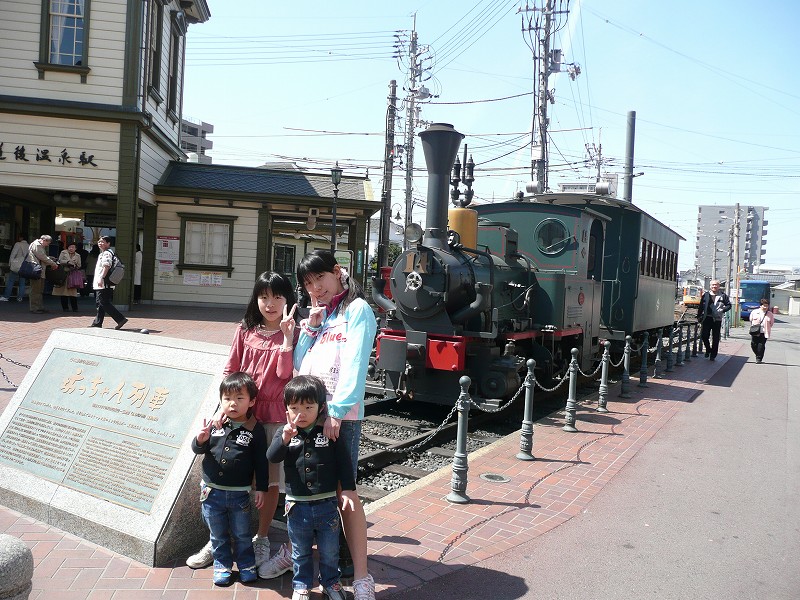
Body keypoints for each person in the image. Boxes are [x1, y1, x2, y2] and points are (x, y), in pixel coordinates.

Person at [186, 272, 298, 573]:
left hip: (273, 418)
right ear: (256, 299)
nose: (270, 304)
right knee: (229, 478)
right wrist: (222, 409)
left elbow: (285, 376)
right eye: (264, 297)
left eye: (277, 297)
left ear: (288, 299)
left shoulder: (295, 332)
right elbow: (230, 370)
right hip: (240, 416)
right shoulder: (245, 329)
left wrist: (287, 339)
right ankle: (217, 539)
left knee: (270, 481)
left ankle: (260, 537)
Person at [292, 250, 377, 600]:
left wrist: (337, 411)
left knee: (346, 493)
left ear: (337, 272)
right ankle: (332, 561)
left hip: (337, 418)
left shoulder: (357, 310)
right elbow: (300, 365)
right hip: (309, 417)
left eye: (320, 279)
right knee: (313, 489)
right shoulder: (321, 315)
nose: (315, 288)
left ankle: (361, 576)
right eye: (308, 283)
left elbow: (356, 363)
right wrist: (309, 328)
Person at [267, 375, 356, 600]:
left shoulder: (329, 432)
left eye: (308, 407)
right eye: (294, 407)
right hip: (297, 507)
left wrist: (346, 489)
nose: (302, 413)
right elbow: (272, 456)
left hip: (327, 505)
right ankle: (301, 585)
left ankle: (331, 583)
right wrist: (284, 439)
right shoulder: (285, 433)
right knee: (300, 551)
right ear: (286, 410)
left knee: (329, 551)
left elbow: (344, 462)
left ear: (321, 407)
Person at [191, 372, 268, 586]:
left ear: (251, 401)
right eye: (227, 398)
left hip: (239, 495)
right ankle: (222, 565)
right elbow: (198, 449)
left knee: (243, 534)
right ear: (220, 400)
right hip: (211, 492)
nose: (232, 404)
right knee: (217, 534)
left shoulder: (255, 430)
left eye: (239, 398)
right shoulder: (216, 425)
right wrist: (200, 439)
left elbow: (261, 463)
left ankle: (246, 565)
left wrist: (261, 488)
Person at [89, 236, 128, 329]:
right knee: (100, 303)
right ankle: (97, 323)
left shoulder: (106, 253)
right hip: (104, 282)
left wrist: (101, 278)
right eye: (99, 242)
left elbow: (106, 266)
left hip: (104, 282)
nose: (100, 243)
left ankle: (120, 319)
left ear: (108, 243)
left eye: (103, 242)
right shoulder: (105, 253)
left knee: (103, 302)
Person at [698, 279, 731, 361]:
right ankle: (708, 349)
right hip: (707, 318)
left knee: (715, 338)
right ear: (710, 286)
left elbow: (729, 305)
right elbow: (701, 306)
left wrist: (723, 310)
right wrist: (698, 316)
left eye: (716, 285)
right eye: (713, 285)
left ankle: (713, 354)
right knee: (704, 336)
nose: (714, 286)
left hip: (717, 319)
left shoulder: (723, 295)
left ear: (719, 286)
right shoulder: (705, 295)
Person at [26, 234, 59, 314]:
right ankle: (35, 308)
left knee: (39, 290)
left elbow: (42, 256)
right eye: (47, 243)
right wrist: (53, 263)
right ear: (44, 240)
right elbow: (42, 257)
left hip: (40, 270)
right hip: (36, 270)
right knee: (35, 290)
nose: (47, 245)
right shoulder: (37, 245)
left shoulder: (38, 245)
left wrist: (49, 258)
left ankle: (39, 307)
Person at [52, 243, 82, 312]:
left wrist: (75, 265)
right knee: (63, 292)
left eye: (73, 247)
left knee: (73, 292)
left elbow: (79, 265)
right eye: (70, 247)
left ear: (75, 248)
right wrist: (67, 262)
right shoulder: (63, 253)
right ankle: (65, 308)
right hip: (63, 274)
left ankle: (75, 308)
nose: (71, 249)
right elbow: (59, 261)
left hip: (72, 275)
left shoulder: (78, 255)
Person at [1, 233, 29, 302]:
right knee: (22, 282)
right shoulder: (29, 245)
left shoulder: (18, 244)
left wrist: (10, 263)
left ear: (21, 238)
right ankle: (20, 297)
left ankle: (6, 296)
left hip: (16, 265)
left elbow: (13, 254)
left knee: (10, 281)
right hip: (24, 266)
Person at [748, 299, 775, 364]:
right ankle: (758, 354)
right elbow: (751, 320)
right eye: (764, 305)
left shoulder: (770, 314)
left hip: (764, 332)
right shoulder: (754, 312)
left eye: (767, 306)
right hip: (755, 331)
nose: (765, 307)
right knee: (753, 344)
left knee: (761, 345)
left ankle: (759, 358)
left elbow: (771, 323)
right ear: (760, 306)